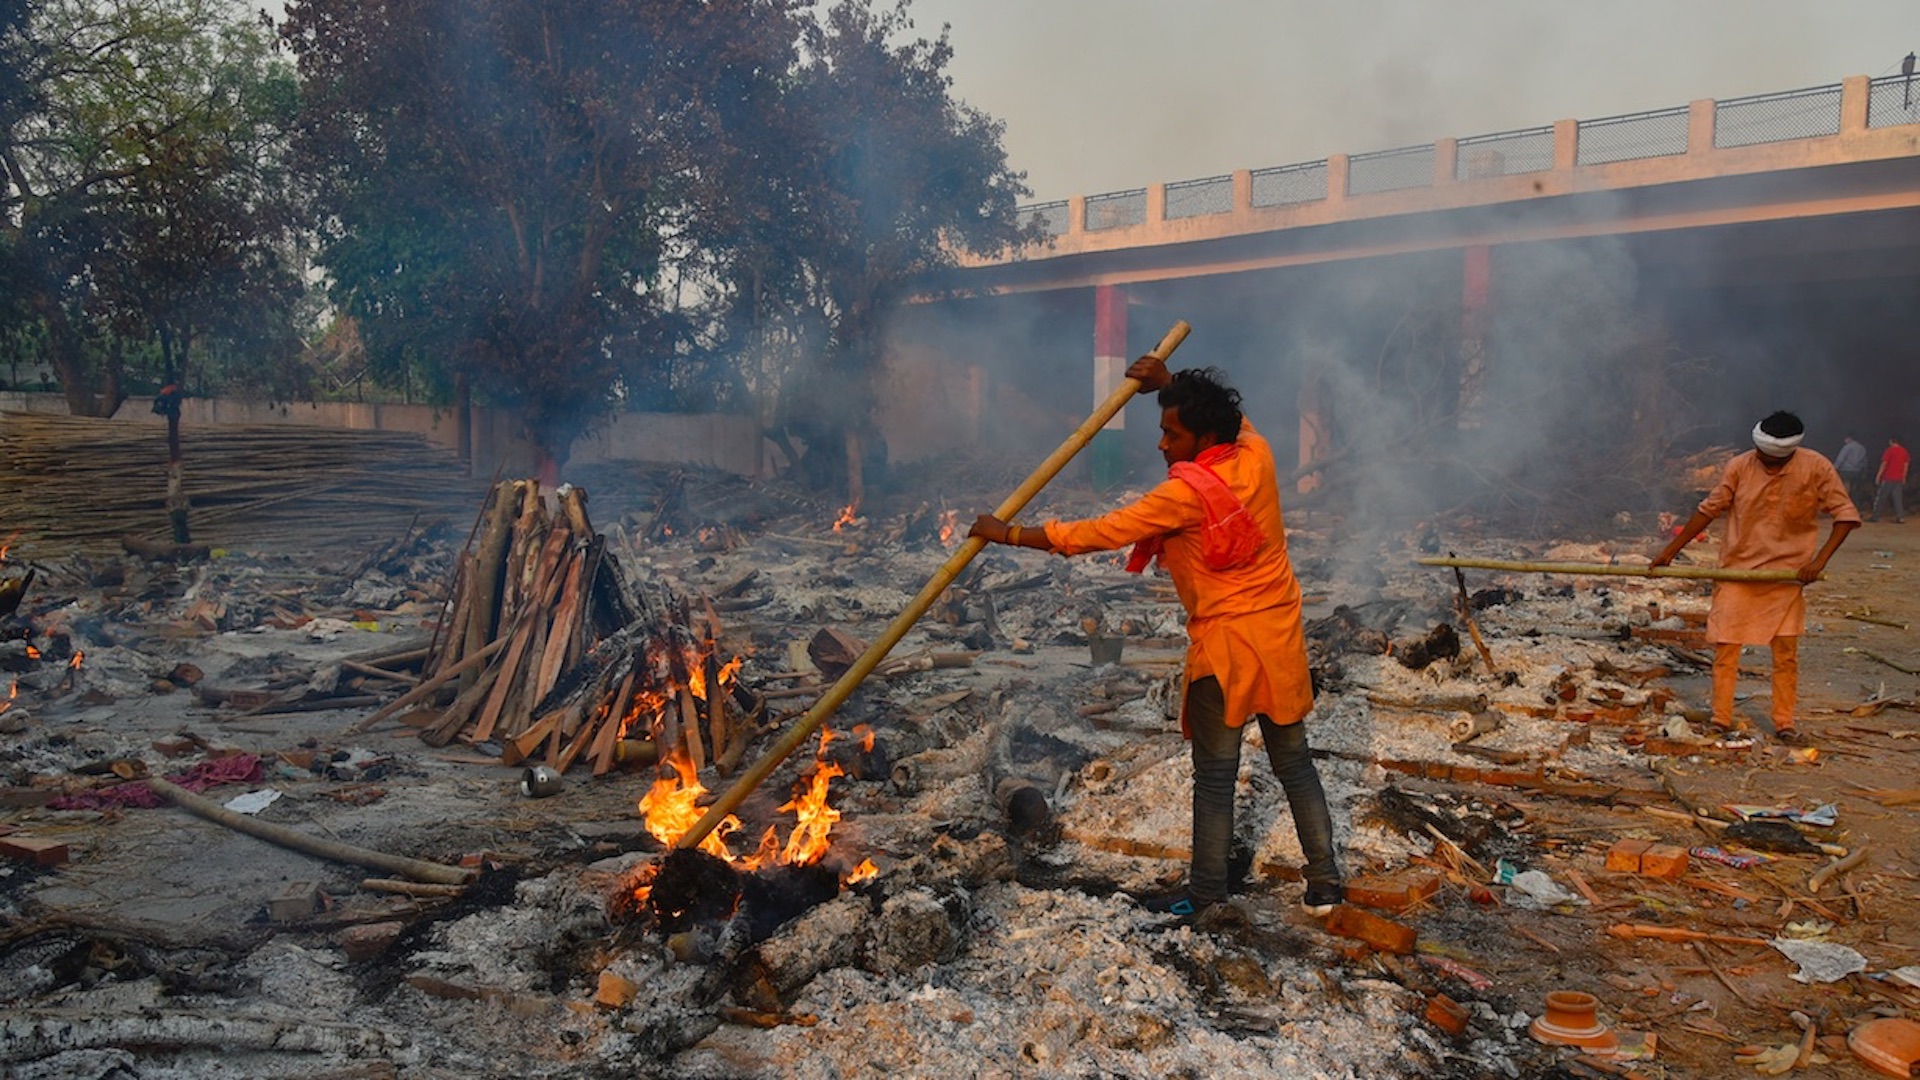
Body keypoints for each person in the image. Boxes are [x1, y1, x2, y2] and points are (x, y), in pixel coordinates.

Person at [969, 355, 1341, 923]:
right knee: (1295, 764)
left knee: (1215, 780)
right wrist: (1170, 386)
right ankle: (1325, 885)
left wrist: (1012, 534)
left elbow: (1102, 531)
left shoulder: (1185, 496)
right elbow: (1243, 423)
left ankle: (1207, 892)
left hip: (1227, 646)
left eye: (1173, 433)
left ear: (1204, 437)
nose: (1162, 445)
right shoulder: (1256, 456)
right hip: (1281, 634)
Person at [1651, 411, 1859, 743]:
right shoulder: (1739, 466)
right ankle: (1720, 717)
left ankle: (1784, 722)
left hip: (1787, 577)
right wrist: (1670, 551)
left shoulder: (1816, 467)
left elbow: (1845, 515)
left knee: (1786, 654)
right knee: (1726, 648)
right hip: (1738, 572)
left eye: (1776, 460)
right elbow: (1709, 509)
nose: (1767, 464)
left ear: (1791, 452)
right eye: (1763, 457)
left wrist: (1818, 562)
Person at [1870, 436, 1909, 523]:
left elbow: (1884, 463)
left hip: (1888, 477)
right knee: (1898, 498)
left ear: (1891, 442)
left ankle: (1875, 516)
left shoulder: (1889, 450)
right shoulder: (1904, 451)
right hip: (1898, 478)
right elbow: (1906, 465)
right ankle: (1900, 517)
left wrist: (1878, 475)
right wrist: (1904, 476)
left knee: (1881, 497)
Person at [1834, 435, 1869, 509]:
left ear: (1849, 438)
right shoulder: (1862, 448)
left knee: (1845, 490)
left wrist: (1834, 468)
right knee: (1855, 490)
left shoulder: (1847, 447)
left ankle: (1844, 507)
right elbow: (1865, 461)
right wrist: (1864, 472)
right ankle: (1855, 507)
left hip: (1846, 471)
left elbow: (1840, 459)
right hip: (1857, 472)